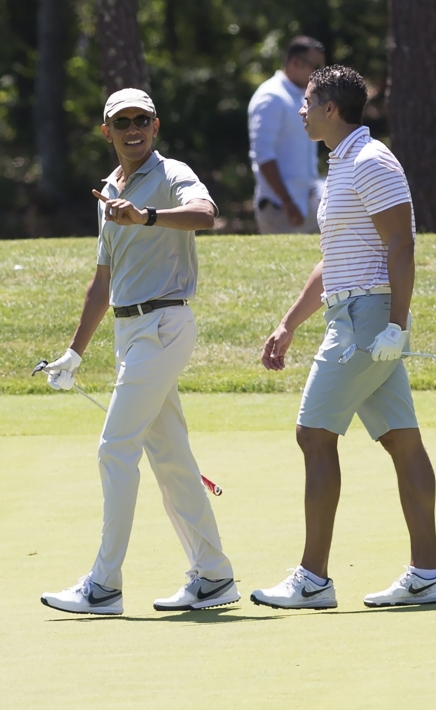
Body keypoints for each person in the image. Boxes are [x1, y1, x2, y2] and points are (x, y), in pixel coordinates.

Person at [250, 65, 436, 610]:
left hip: (368, 320)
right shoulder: (341, 164)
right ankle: (428, 573)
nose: (301, 109)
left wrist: (396, 325)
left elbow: (402, 246)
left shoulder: (370, 161)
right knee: (401, 439)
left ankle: (312, 579)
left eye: (308, 101)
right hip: (352, 313)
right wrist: (288, 324)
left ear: (330, 109)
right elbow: (333, 258)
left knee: (314, 435)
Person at [40, 88, 239, 615]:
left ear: (155, 125)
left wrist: (147, 215)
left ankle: (104, 586)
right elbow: (102, 282)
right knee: (171, 457)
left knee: (114, 449)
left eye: (141, 120)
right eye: (122, 121)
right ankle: (215, 576)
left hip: (165, 324)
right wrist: (75, 353)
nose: (133, 129)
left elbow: (205, 213)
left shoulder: (171, 173)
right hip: (131, 334)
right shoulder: (108, 191)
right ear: (107, 131)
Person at [248, 36, 325, 234]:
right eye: (315, 68)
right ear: (295, 62)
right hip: (280, 208)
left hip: (306, 202)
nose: (318, 75)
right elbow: (263, 155)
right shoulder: (271, 96)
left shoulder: (300, 95)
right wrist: (287, 201)